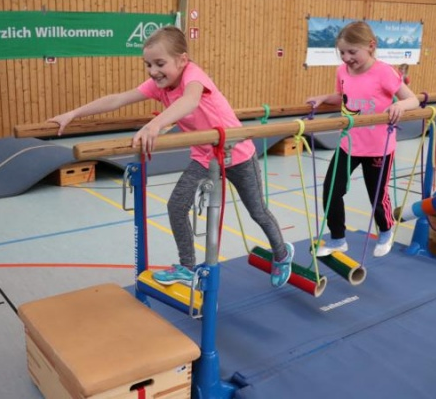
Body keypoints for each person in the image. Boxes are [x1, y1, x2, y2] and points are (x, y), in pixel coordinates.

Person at [48, 26, 294, 288]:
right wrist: (73, 114)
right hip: (205, 156)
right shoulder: (160, 85)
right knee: (176, 206)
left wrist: (155, 125)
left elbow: (189, 101)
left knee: (257, 211)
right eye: (148, 64)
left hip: (238, 153)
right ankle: (187, 267)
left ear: (182, 60)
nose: (153, 71)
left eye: (160, 63)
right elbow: (117, 99)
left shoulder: (194, 76)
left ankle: (282, 254)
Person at [305, 21, 419, 257]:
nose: (346, 58)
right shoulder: (342, 71)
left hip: (378, 147)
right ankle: (338, 239)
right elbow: (343, 96)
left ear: (371, 46)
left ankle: (386, 230)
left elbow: (413, 99)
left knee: (377, 195)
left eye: (352, 52)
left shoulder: (384, 72)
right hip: (349, 143)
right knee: (331, 190)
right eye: (342, 52)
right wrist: (324, 97)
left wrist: (400, 106)